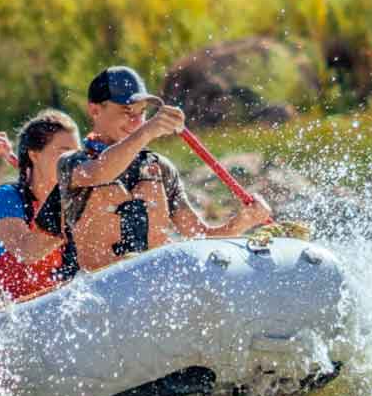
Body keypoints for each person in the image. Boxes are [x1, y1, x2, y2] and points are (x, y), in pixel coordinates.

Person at [58, 66, 273, 272]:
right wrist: (147, 132)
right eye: (127, 111)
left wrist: (244, 221)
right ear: (95, 110)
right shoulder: (72, 163)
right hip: (98, 292)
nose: (136, 121)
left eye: (142, 113)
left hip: (154, 289)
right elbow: (101, 172)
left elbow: (199, 237)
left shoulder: (160, 169)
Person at [0, 110, 81, 300]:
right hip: (7, 313)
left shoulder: (76, 199)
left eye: (77, 152)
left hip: (57, 305)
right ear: (34, 155)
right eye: (64, 152)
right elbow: (25, 251)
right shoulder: (6, 197)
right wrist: (70, 205)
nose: (72, 160)